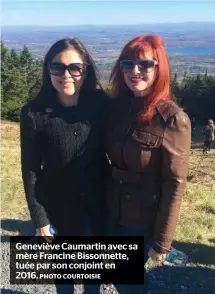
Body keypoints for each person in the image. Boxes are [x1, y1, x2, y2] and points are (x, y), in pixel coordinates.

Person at [20, 38, 110, 293]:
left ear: (86, 70)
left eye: (75, 68)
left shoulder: (102, 106)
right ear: (48, 70)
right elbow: (30, 169)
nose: (66, 75)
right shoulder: (33, 113)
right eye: (58, 67)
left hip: (97, 206)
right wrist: (39, 218)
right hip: (57, 206)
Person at [104, 34, 191, 294]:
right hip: (111, 208)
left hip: (141, 218)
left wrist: (162, 241)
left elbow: (175, 184)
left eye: (145, 64)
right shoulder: (118, 108)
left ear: (159, 68)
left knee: (126, 280)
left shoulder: (172, 119)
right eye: (127, 64)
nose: (135, 71)